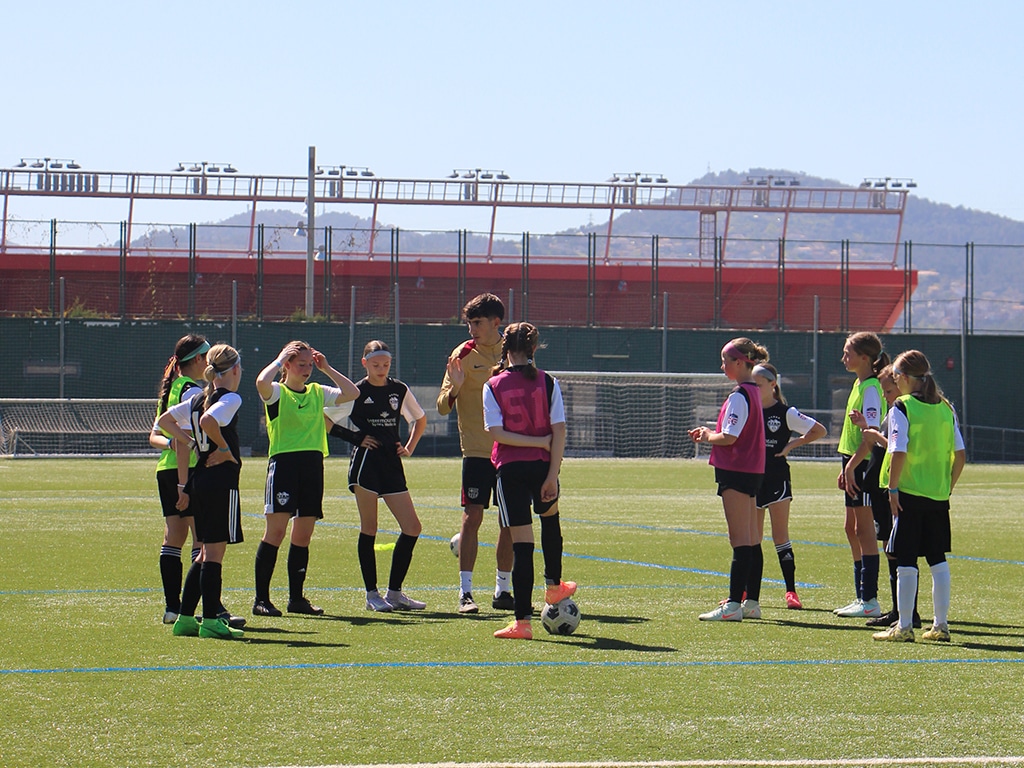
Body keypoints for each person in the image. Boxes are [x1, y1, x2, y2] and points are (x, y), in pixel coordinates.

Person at [254, 341, 360, 617]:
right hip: (284, 466)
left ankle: (296, 598)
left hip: (312, 467)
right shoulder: (277, 392)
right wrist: (278, 359)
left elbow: (352, 393)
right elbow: (261, 382)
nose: (307, 370)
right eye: (300, 364)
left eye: (309, 364)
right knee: (275, 533)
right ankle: (261, 599)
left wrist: (327, 368)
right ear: (287, 366)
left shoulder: (317, 392)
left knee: (303, 535)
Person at [484, 322, 572, 640]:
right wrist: (551, 473)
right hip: (542, 468)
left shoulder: (493, 384)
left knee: (523, 546)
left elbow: (496, 433)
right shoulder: (548, 382)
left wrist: (533, 443)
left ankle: (522, 622)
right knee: (551, 523)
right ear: (534, 349)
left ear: (505, 350)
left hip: (511, 470)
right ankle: (553, 587)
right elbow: (559, 430)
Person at [326, 340, 429, 612]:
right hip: (366, 465)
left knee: (412, 528)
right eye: (375, 365)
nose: (381, 369)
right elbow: (325, 420)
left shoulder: (399, 389)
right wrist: (356, 437)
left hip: (391, 464)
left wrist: (408, 447)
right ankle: (372, 594)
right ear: (365, 364)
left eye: (385, 364)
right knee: (369, 527)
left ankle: (394, 593)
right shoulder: (356, 392)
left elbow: (419, 419)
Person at [873, 350, 966, 642]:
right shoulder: (945, 408)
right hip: (937, 496)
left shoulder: (902, 406)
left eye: (896, 376)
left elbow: (898, 450)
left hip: (909, 494)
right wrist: (946, 486)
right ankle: (940, 626)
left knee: (906, 559)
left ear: (903, 378)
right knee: (937, 559)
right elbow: (960, 456)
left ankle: (903, 627)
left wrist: (893, 488)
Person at [158, 343, 246, 640]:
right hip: (220, 482)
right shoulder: (230, 397)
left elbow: (164, 421)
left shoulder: (198, 398)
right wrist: (223, 448)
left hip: (199, 481)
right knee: (214, 555)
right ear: (234, 369)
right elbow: (209, 421)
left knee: (203, 553)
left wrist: (191, 441)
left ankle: (185, 617)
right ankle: (210, 620)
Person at [437, 293, 515, 614]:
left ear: (496, 323)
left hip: (510, 451)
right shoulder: (463, 354)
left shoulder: (514, 350)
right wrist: (455, 387)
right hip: (477, 452)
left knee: (509, 522)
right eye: (469, 322)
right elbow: (442, 406)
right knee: (472, 518)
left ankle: (503, 590)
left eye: (478, 323)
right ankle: (465, 594)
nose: (472, 329)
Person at [688, 338, 769, 622]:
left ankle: (734, 604)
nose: (722, 366)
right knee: (750, 538)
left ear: (738, 362)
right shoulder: (754, 392)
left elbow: (730, 437)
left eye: (725, 361)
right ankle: (751, 602)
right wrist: (713, 432)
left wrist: (708, 435)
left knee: (739, 540)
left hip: (737, 471)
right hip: (752, 470)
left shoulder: (739, 395)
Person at [849, 365, 922, 630]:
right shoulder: (893, 410)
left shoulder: (903, 411)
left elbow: (897, 447)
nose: (886, 395)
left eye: (889, 390)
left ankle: (907, 612)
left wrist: (875, 436)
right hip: (881, 488)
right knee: (891, 549)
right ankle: (899, 609)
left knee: (899, 551)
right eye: (883, 391)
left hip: (894, 490)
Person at [751, 363, 827, 610]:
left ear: (772, 385)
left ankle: (791, 591)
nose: (754, 388)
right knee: (751, 538)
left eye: (758, 384)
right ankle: (745, 592)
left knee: (780, 535)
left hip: (777, 479)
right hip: (751, 479)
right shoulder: (748, 409)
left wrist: (790, 446)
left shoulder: (785, 412)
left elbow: (819, 430)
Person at [150, 334, 208, 624]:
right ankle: (195, 609)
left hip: (166, 470)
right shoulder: (190, 391)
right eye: (207, 357)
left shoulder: (172, 388)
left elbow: (156, 434)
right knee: (202, 540)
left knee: (174, 536)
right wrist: (184, 482)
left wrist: (173, 443)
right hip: (186, 471)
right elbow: (181, 441)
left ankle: (173, 608)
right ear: (197, 359)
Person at [834, 332, 889, 619]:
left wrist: (852, 466)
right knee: (851, 528)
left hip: (864, 464)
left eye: (848, 352)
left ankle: (869, 599)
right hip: (851, 461)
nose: (844, 357)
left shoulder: (870, 388)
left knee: (865, 532)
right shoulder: (859, 384)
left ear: (865, 358)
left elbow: (870, 435)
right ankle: (861, 596)